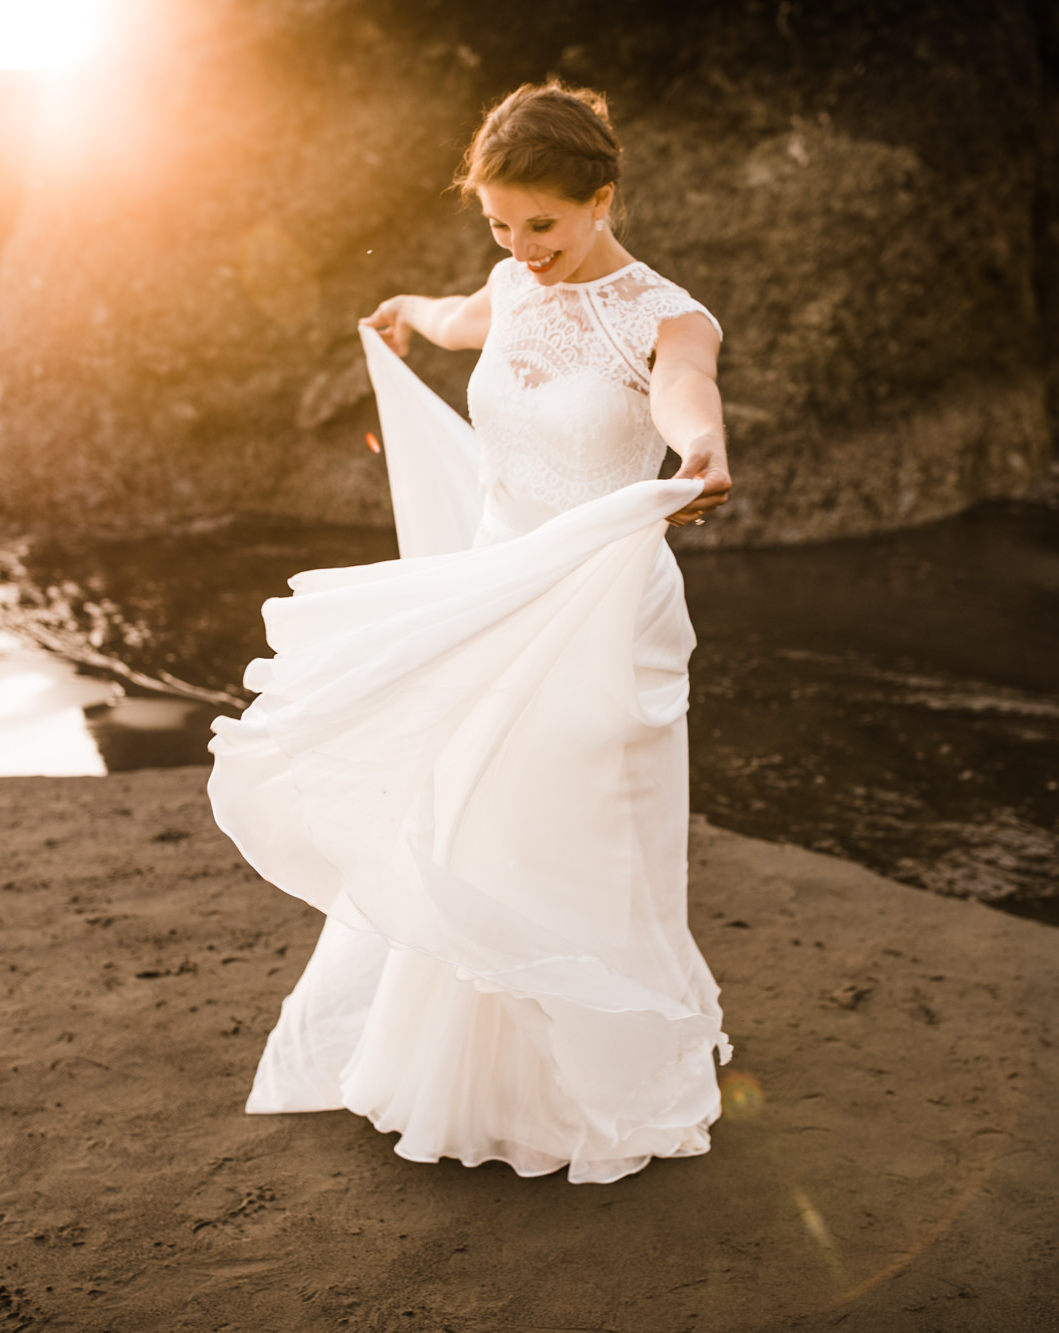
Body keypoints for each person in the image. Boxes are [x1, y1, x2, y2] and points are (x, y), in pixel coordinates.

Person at [207, 80, 733, 1184]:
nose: (519, 247)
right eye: (498, 224)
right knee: (472, 817)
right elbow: (456, 317)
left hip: (595, 607)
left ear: (600, 197)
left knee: (578, 825)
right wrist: (405, 309)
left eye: (540, 223)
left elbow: (685, 389)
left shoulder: (667, 316)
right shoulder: (505, 283)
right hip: (488, 591)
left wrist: (698, 450)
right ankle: (474, 1075)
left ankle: (587, 1074)